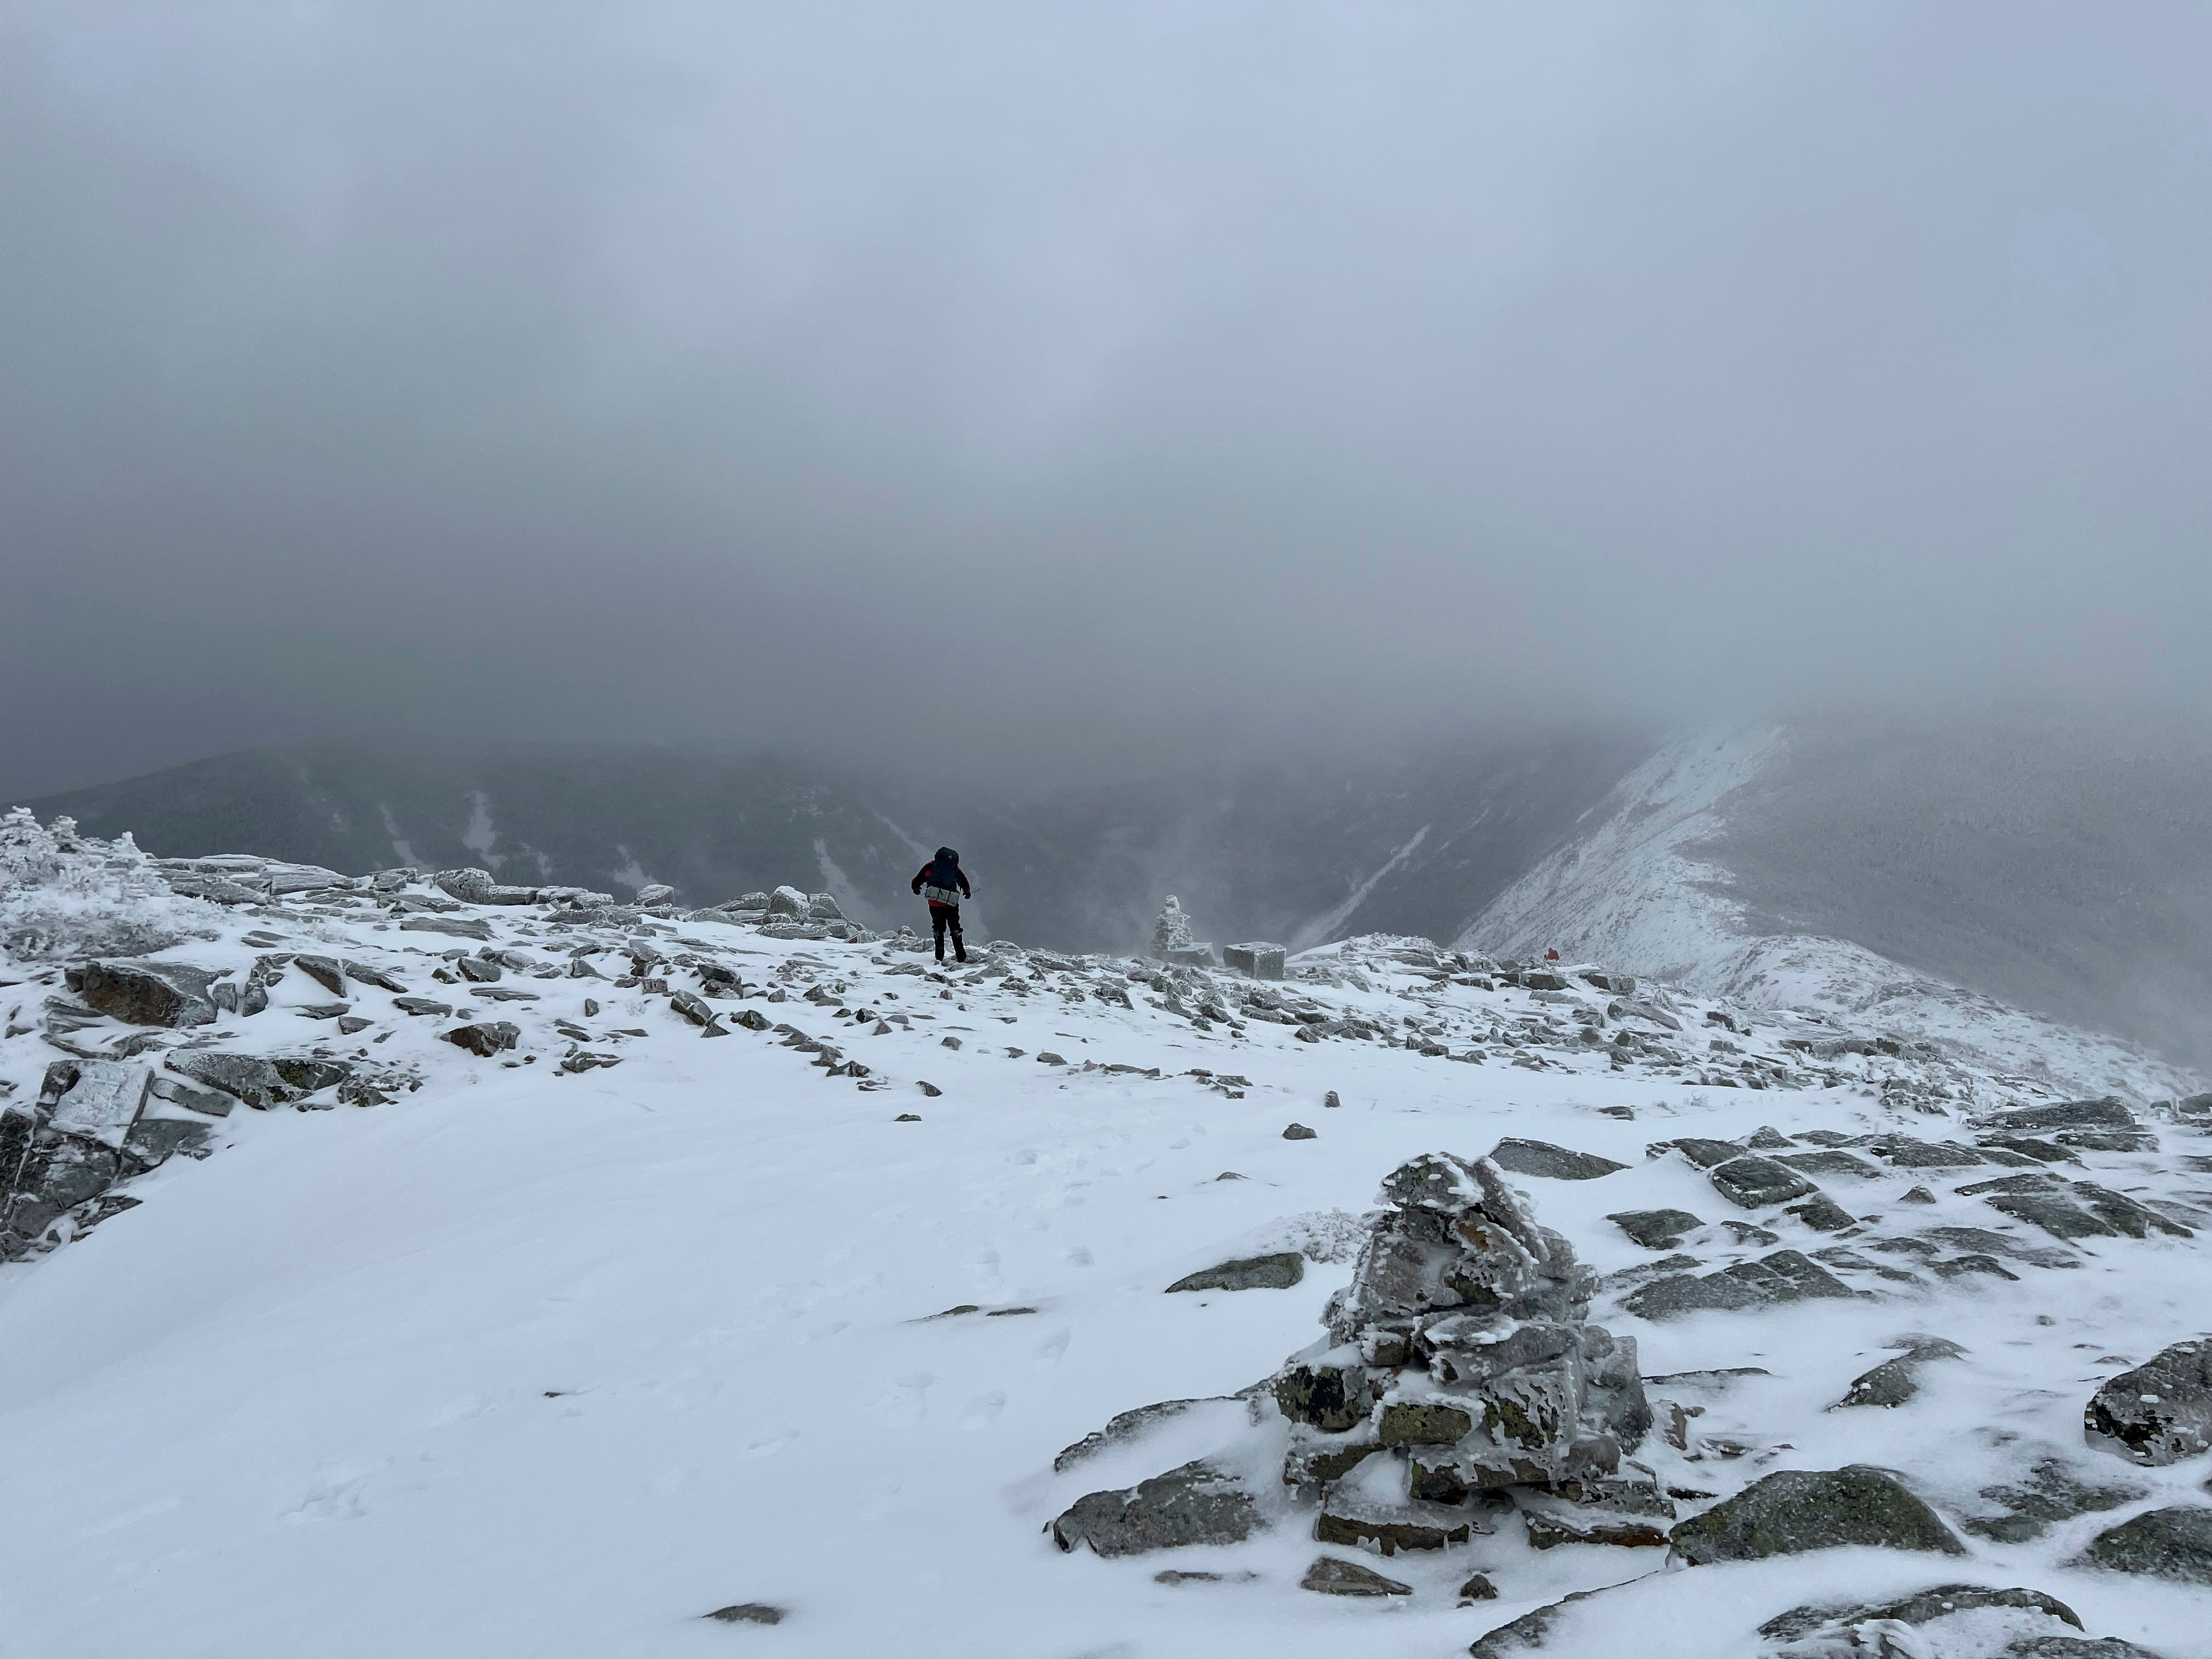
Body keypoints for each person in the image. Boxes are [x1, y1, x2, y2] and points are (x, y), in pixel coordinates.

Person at [910, 845, 972, 963]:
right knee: (955, 928)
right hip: (950, 902)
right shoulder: (953, 868)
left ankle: (939, 957)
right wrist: (967, 893)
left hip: (934, 903)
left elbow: (916, 881)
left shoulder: (930, 866)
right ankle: (961, 956)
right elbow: (964, 882)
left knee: (938, 928)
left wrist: (916, 889)